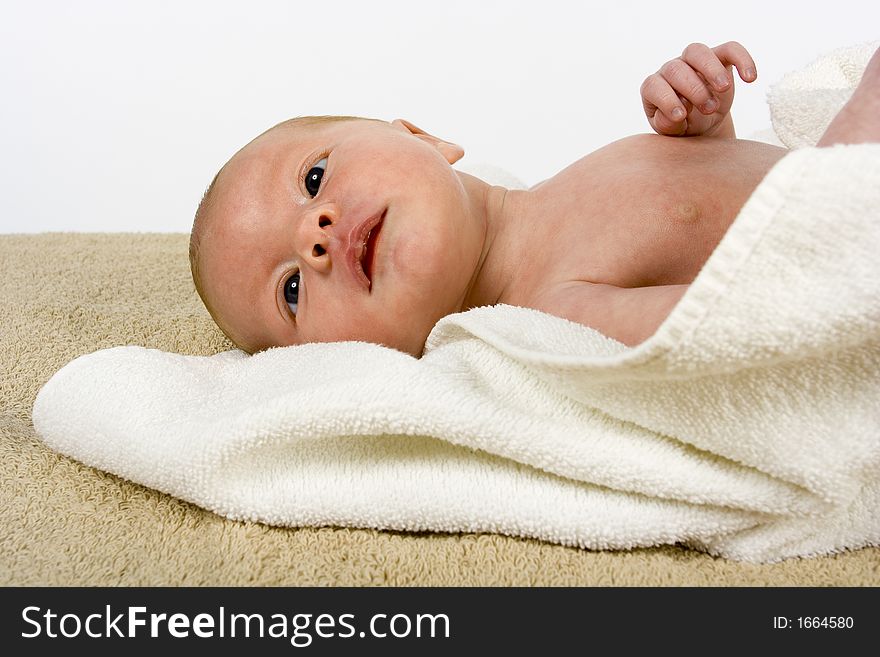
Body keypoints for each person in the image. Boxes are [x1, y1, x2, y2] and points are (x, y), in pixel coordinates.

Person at [189, 41, 879, 357]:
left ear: (424, 137)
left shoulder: (562, 191)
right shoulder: (555, 308)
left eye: (314, 179)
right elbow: (751, 309)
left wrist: (706, 130)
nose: (314, 234)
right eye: (289, 293)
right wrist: (843, 167)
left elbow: (716, 219)